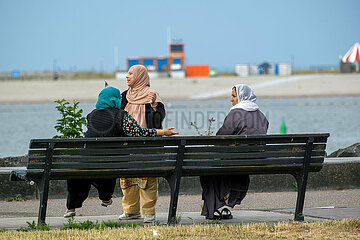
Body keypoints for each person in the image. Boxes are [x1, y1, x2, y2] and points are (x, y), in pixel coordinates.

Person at [64, 86, 178, 218]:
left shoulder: (91, 115)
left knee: (84, 173)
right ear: (115, 100)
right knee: (108, 165)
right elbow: (139, 133)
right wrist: (162, 132)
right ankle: (106, 197)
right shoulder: (121, 116)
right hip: (113, 163)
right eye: (119, 98)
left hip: (89, 160)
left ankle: (71, 207)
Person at [200, 84, 269, 220]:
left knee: (208, 170)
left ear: (242, 97)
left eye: (233, 96)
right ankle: (226, 204)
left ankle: (216, 206)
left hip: (235, 159)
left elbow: (220, 137)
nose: (231, 100)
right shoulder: (261, 115)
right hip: (256, 160)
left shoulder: (236, 113)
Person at [119, 64, 165, 223]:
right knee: (128, 180)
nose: (127, 76)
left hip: (147, 147)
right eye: (128, 73)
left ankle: (148, 213)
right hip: (128, 147)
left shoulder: (152, 95)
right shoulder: (124, 96)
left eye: (131, 74)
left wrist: (153, 106)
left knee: (147, 181)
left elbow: (158, 122)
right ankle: (131, 211)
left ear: (140, 76)